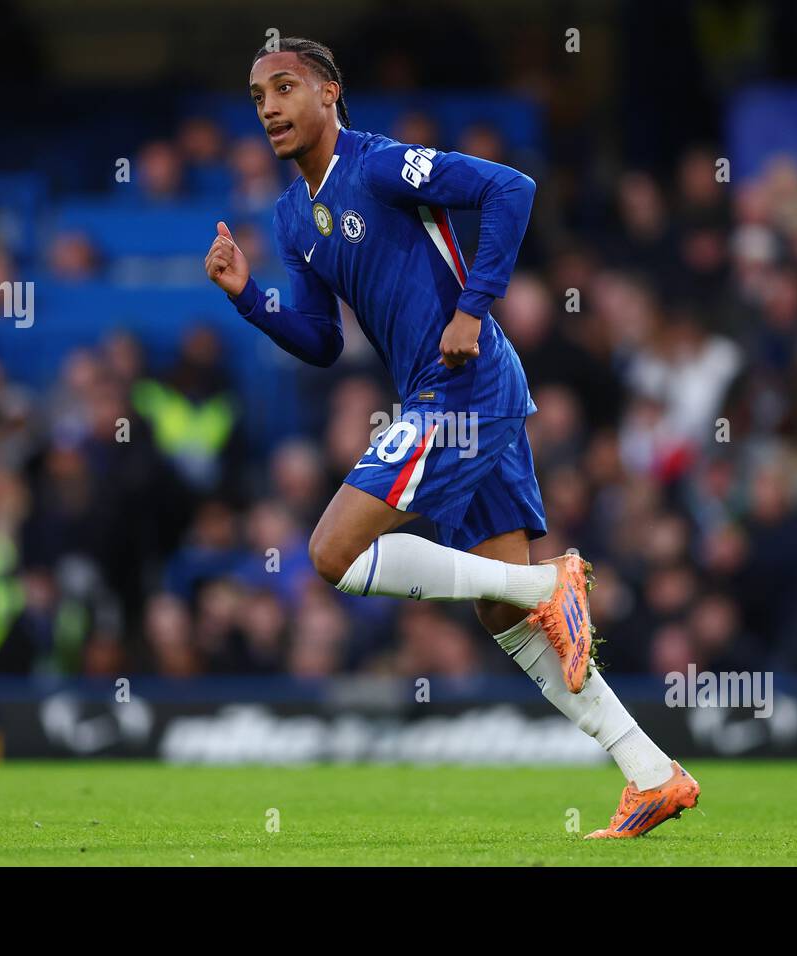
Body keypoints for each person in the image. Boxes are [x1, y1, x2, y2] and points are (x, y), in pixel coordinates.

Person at [204, 36, 697, 838]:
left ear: (330, 93)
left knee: (332, 554)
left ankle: (555, 586)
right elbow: (324, 342)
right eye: (258, 96)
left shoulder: (382, 164)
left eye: (285, 87)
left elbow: (511, 187)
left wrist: (472, 306)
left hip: (464, 384)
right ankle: (650, 770)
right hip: (441, 391)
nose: (269, 107)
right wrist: (248, 299)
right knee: (502, 610)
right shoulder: (295, 216)